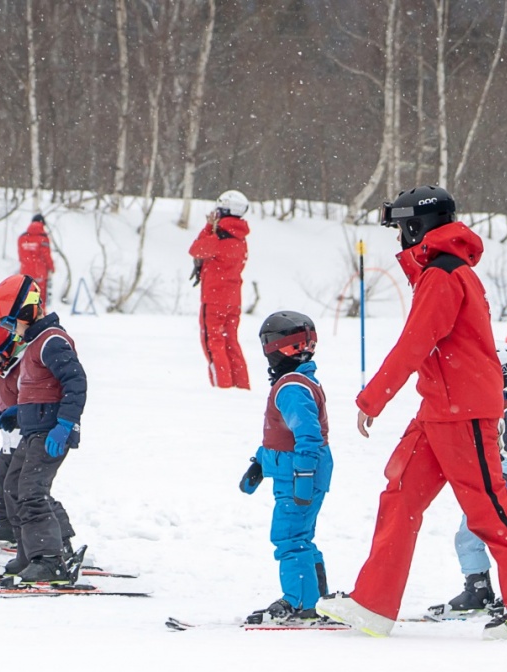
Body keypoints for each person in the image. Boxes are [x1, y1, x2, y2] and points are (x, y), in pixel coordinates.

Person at [316, 185, 507, 642]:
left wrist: (373, 398)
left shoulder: (445, 274)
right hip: (439, 408)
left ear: (417, 227)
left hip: (463, 411)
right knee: (401, 495)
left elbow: (416, 340)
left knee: (489, 510)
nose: (399, 240)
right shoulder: (442, 271)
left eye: (401, 228)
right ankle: (373, 604)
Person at [0, 309, 77, 562]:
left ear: (7, 344)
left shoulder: (26, 367)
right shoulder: (0, 368)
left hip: (31, 439)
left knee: (30, 492)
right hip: (11, 443)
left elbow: (31, 404)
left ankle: (57, 540)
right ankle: (10, 526)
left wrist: (1, 419)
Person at [0, 274, 87, 583]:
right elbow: (42, 389)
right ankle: (29, 553)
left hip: (51, 433)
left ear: (27, 311)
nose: (9, 331)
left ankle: (50, 560)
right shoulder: (35, 342)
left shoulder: (52, 340)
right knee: (13, 488)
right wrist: (21, 412)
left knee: (32, 492)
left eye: (9, 323)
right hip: (35, 430)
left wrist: (65, 424)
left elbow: (76, 382)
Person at [239, 311, 333, 625]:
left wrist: (303, 477)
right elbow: (282, 436)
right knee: (300, 535)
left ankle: (301, 604)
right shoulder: (298, 382)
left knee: (290, 538)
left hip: (299, 474)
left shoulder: (291, 388)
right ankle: (316, 597)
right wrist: (260, 464)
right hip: (294, 470)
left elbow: (307, 437)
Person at [435, 343, 507, 617]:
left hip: (505, 490)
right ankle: (478, 588)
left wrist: (504, 483)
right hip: (483, 488)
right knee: (468, 538)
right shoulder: (487, 405)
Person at [188, 190, 251, 390]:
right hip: (233, 299)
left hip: (214, 298)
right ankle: (241, 386)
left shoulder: (218, 238)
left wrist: (208, 227)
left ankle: (222, 387)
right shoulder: (240, 238)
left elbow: (195, 249)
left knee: (213, 343)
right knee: (231, 343)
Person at [17, 214, 56, 304]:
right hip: (40, 274)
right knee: (39, 300)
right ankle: (39, 317)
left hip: (25, 273)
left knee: (26, 299)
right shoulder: (43, 238)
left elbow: (21, 256)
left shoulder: (22, 238)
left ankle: (26, 317)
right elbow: (46, 256)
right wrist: (51, 268)